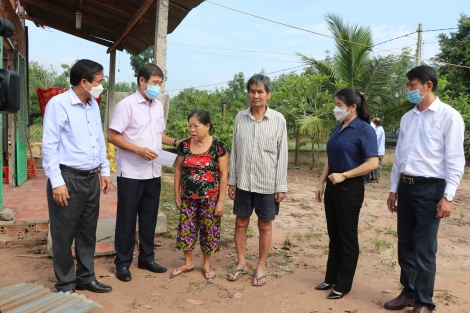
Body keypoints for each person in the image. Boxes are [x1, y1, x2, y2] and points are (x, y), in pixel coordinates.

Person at [384, 66, 465, 313]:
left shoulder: (449, 117)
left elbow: (455, 160)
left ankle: (424, 302)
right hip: (406, 187)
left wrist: (448, 196)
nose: (408, 90)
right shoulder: (408, 118)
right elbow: (400, 157)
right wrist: (393, 189)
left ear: (428, 85)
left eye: (411, 85)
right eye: (407, 86)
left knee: (425, 247)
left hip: (431, 189)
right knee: (405, 244)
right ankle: (408, 292)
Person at [42, 59, 112, 293]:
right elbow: (49, 147)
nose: (101, 85)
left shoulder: (93, 104)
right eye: (99, 81)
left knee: (87, 231)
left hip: (91, 178)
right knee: (63, 234)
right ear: (84, 82)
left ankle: (86, 277)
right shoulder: (58, 104)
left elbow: (99, 139)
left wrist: (105, 170)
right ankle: (66, 283)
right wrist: (57, 182)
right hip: (68, 178)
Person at [108, 63, 181, 282]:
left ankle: (146, 258)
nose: (158, 87)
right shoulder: (126, 106)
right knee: (127, 220)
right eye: (155, 83)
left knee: (149, 218)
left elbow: (158, 135)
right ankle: (122, 263)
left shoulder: (157, 106)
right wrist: (138, 150)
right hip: (131, 173)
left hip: (153, 173)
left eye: (160, 83)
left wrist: (177, 142)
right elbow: (113, 136)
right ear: (142, 81)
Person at [314, 88, 378, 299]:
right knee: (334, 235)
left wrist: (345, 175)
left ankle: (343, 284)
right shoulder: (339, 127)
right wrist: (321, 182)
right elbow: (330, 157)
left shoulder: (364, 129)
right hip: (332, 185)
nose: (336, 109)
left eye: (339, 106)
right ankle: (331, 277)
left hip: (350, 188)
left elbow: (372, 163)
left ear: (353, 107)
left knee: (347, 236)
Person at [226, 74, 288, 287]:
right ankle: (241, 263)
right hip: (243, 181)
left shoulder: (278, 120)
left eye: (260, 91)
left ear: (268, 94)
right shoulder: (239, 118)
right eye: (252, 91)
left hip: (267, 183)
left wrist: (281, 185)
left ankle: (260, 265)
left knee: (265, 226)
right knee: (240, 222)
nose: (256, 95)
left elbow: (283, 155)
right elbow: (235, 151)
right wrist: (232, 181)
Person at [171, 110, 229, 280]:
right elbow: (179, 169)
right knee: (186, 229)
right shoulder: (184, 145)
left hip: (210, 198)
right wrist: (177, 193)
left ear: (207, 126)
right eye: (190, 126)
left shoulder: (218, 146)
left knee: (209, 231)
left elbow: (224, 174)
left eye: (196, 126)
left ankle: (206, 264)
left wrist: (221, 202)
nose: (192, 129)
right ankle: (188, 263)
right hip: (188, 197)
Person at [370, 118, 385, 183]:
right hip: (377, 150)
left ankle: (376, 178)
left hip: (378, 151)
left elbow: (375, 138)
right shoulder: (378, 129)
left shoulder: (379, 129)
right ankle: (374, 177)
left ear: (375, 123)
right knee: (374, 164)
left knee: (377, 165)